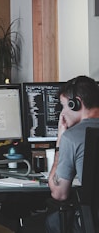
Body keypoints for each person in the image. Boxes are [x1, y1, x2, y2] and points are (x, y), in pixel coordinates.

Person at [46, 75, 99, 232]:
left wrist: (60, 141)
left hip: (93, 224)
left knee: (52, 220)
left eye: (64, 106)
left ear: (76, 103)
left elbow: (59, 193)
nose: (63, 113)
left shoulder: (71, 137)